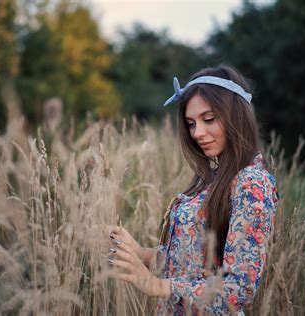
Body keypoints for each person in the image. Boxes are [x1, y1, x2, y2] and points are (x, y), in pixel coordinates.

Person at [107, 65, 279, 315]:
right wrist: (139, 252)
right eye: (190, 123)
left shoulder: (252, 183)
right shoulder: (214, 179)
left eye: (208, 119)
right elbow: (192, 264)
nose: (197, 133)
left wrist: (154, 284)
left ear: (236, 116)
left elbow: (239, 289)